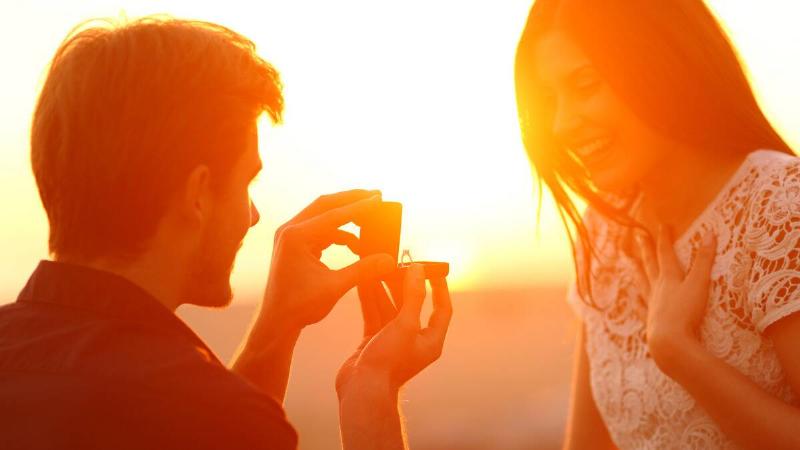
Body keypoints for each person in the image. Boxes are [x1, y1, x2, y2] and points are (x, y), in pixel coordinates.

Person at [0, 17, 452, 450]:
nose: (253, 216)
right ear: (198, 194)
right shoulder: (206, 415)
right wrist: (371, 394)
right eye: (246, 183)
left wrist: (276, 329)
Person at [514, 0, 800, 449]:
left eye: (585, 85)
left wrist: (680, 354)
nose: (562, 123)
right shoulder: (604, 231)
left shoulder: (779, 204)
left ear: (660, 64)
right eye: (548, 100)